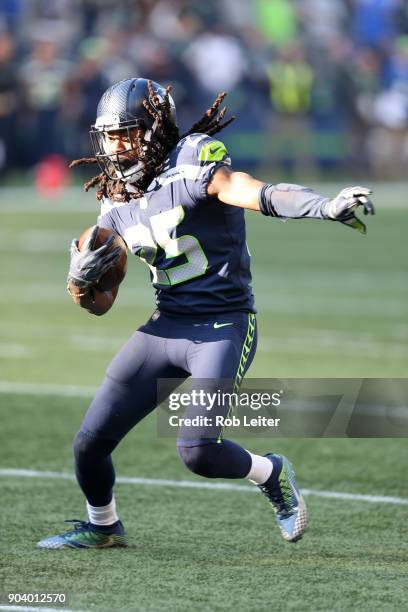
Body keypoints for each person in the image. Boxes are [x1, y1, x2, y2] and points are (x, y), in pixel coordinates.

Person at [37, 78, 374, 549]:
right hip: (165, 324)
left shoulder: (193, 158)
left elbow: (254, 191)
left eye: (125, 133)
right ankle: (103, 525)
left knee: (197, 452)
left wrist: (324, 206)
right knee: (89, 443)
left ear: (155, 129)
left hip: (222, 325)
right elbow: (101, 304)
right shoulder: (116, 196)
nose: (114, 145)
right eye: (108, 135)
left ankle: (271, 472)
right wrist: (80, 283)